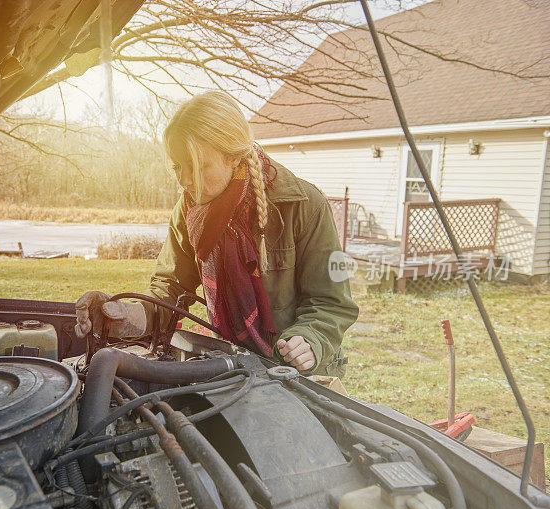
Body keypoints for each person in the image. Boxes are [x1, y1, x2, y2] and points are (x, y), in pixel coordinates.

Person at [75, 91, 358, 376]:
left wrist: (310, 340)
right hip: (238, 365)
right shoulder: (188, 211)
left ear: (233, 157)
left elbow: (332, 303)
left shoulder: (304, 206)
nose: (184, 180)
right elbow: (170, 288)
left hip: (301, 372)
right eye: (177, 167)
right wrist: (129, 314)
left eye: (197, 167)